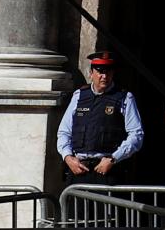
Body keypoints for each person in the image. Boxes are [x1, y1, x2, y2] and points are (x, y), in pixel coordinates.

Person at [57, 52, 142, 183]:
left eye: (108, 72)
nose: (104, 76)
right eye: (100, 71)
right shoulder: (79, 96)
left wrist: (113, 159)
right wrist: (68, 158)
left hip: (107, 170)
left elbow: (136, 135)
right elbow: (64, 132)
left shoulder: (124, 98)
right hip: (79, 169)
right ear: (91, 73)